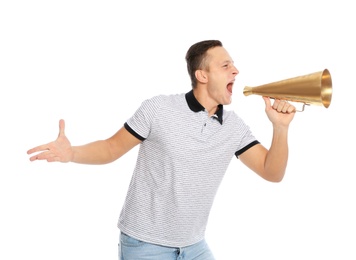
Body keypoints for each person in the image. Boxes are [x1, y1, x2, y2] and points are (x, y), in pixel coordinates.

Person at [27, 40, 296, 260]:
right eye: (226, 66)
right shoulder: (159, 109)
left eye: (234, 65)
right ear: (202, 75)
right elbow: (111, 148)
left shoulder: (234, 127)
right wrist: (71, 153)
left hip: (194, 247)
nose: (235, 71)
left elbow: (271, 172)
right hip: (145, 245)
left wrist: (280, 128)